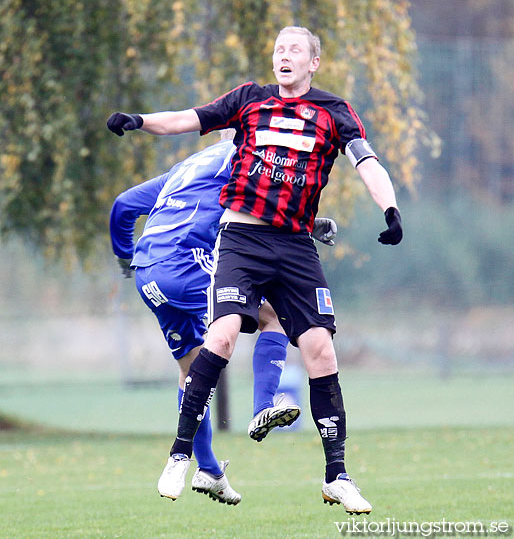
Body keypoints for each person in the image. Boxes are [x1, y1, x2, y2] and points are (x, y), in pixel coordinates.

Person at [107, 25, 403, 514]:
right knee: (222, 337)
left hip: (295, 245)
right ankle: (182, 454)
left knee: (321, 351)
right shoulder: (248, 101)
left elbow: (366, 161)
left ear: (314, 63)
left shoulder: (334, 112)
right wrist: (139, 120)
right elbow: (186, 118)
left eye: (295, 50)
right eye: (278, 49)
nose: (284, 56)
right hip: (242, 240)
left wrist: (389, 208)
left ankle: (337, 476)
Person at [109, 131, 337, 504]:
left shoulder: (183, 168)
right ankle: (264, 405)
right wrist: (310, 226)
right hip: (185, 265)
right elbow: (264, 211)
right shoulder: (243, 159)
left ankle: (210, 469)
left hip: (148, 273)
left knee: (191, 369)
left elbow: (123, 205)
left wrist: (124, 258)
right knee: (275, 315)